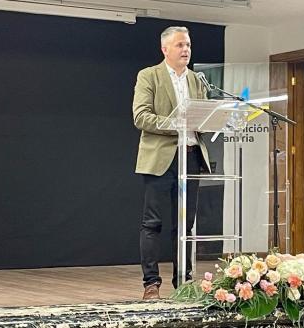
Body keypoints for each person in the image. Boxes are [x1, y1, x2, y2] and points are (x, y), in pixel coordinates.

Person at [132, 26, 210, 300]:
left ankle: (185, 282)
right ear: (165, 49)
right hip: (161, 158)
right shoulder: (149, 76)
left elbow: (204, 114)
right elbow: (141, 117)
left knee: (186, 226)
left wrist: (217, 120)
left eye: (188, 44)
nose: (186, 49)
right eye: (180, 45)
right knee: (152, 223)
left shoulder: (197, 80)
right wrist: (175, 124)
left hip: (191, 156)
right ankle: (151, 284)